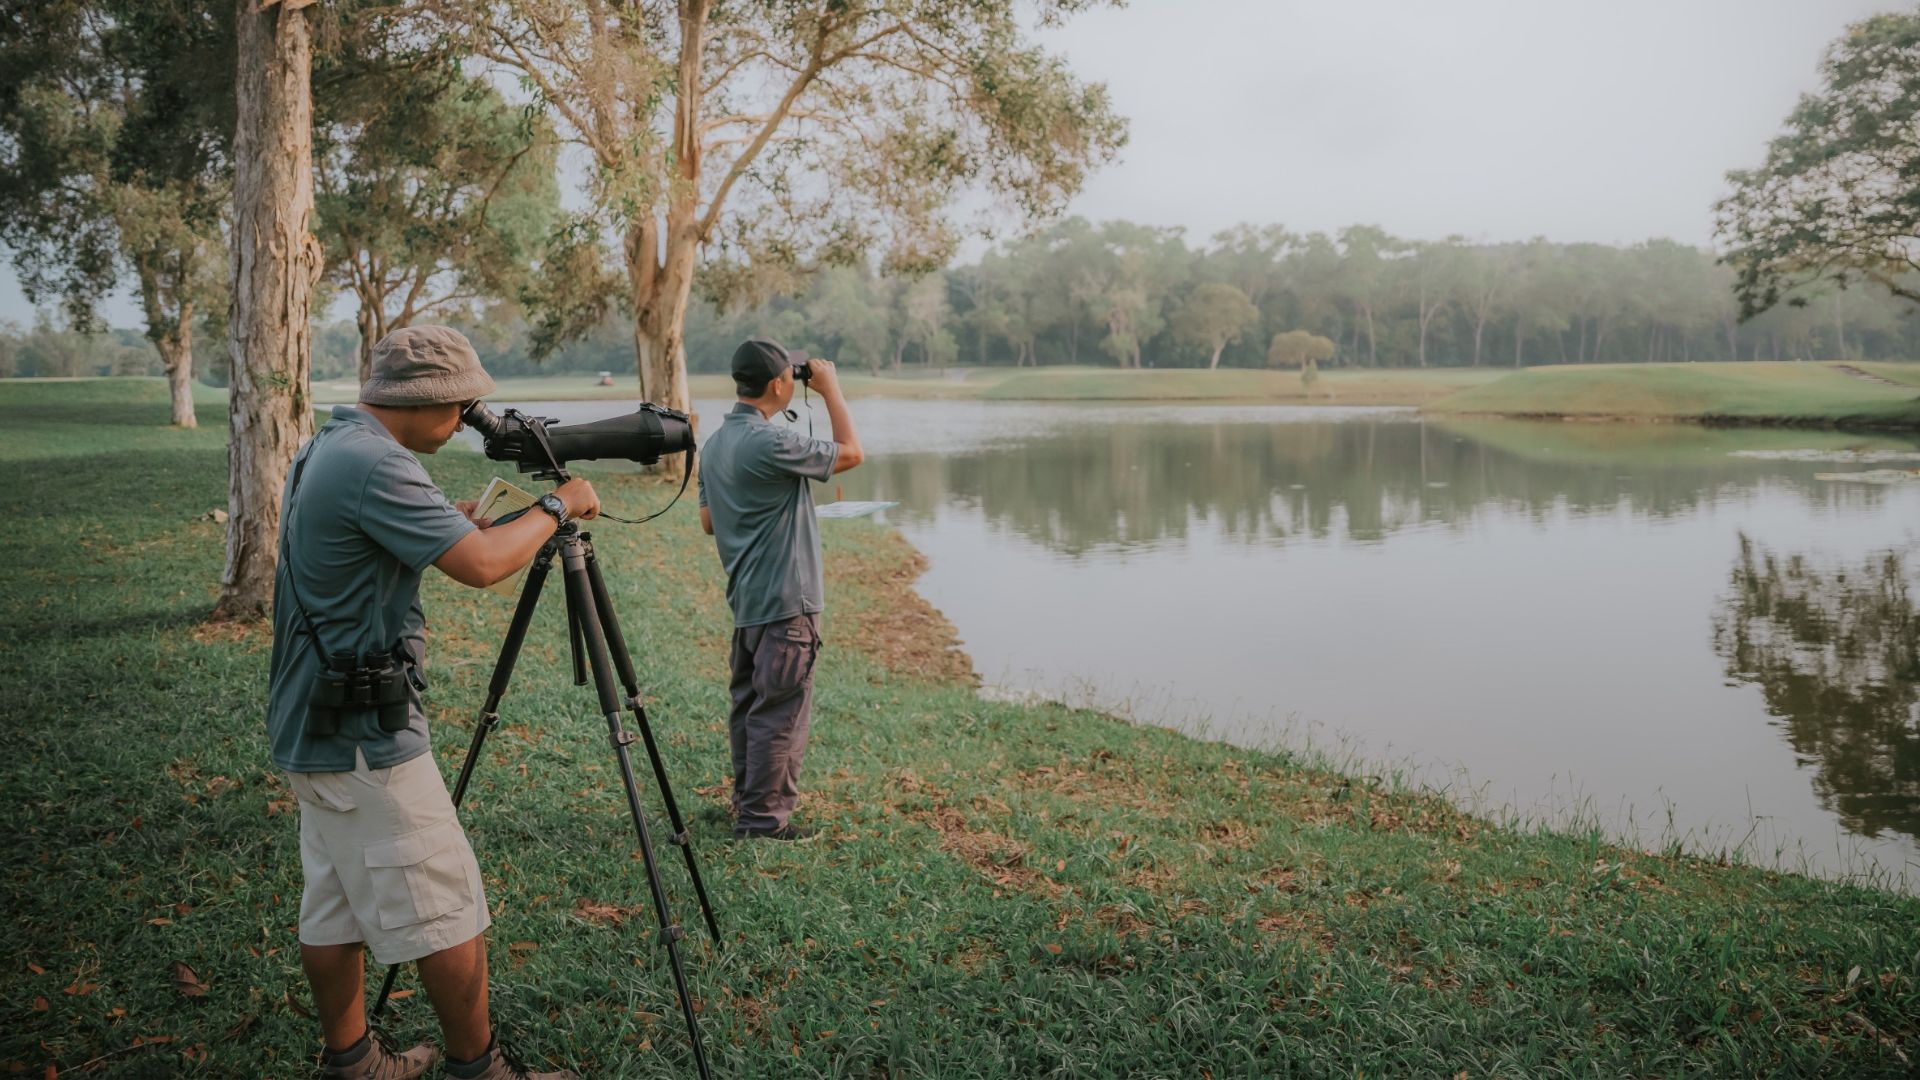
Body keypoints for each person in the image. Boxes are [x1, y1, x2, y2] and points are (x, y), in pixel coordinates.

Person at [267, 326, 599, 1080]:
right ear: (421, 402)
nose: (463, 422)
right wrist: (559, 502)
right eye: (458, 407)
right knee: (447, 902)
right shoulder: (377, 464)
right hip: (363, 732)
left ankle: (351, 1062)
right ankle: (478, 1070)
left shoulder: (330, 446)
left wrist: (453, 517)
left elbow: (375, 541)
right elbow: (481, 568)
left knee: (335, 901)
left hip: (312, 721)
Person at [698, 337, 863, 841]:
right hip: (788, 601)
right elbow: (852, 454)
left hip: (748, 600)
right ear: (777, 383)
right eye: (790, 375)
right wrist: (831, 388)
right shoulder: (770, 442)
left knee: (751, 707)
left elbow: (709, 522)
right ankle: (763, 823)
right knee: (779, 713)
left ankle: (748, 803)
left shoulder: (717, 443)